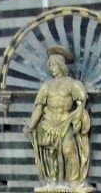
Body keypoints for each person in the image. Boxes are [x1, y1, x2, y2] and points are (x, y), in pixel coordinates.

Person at [28, 48, 90, 185]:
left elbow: (81, 102)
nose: (52, 69)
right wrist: (31, 126)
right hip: (49, 123)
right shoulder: (46, 86)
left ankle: (73, 181)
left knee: (68, 150)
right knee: (51, 154)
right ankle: (53, 180)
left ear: (61, 66)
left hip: (66, 122)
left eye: (54, 65)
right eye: (50, 66)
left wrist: (79, 113)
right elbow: (39, 106)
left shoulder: (72, 84)